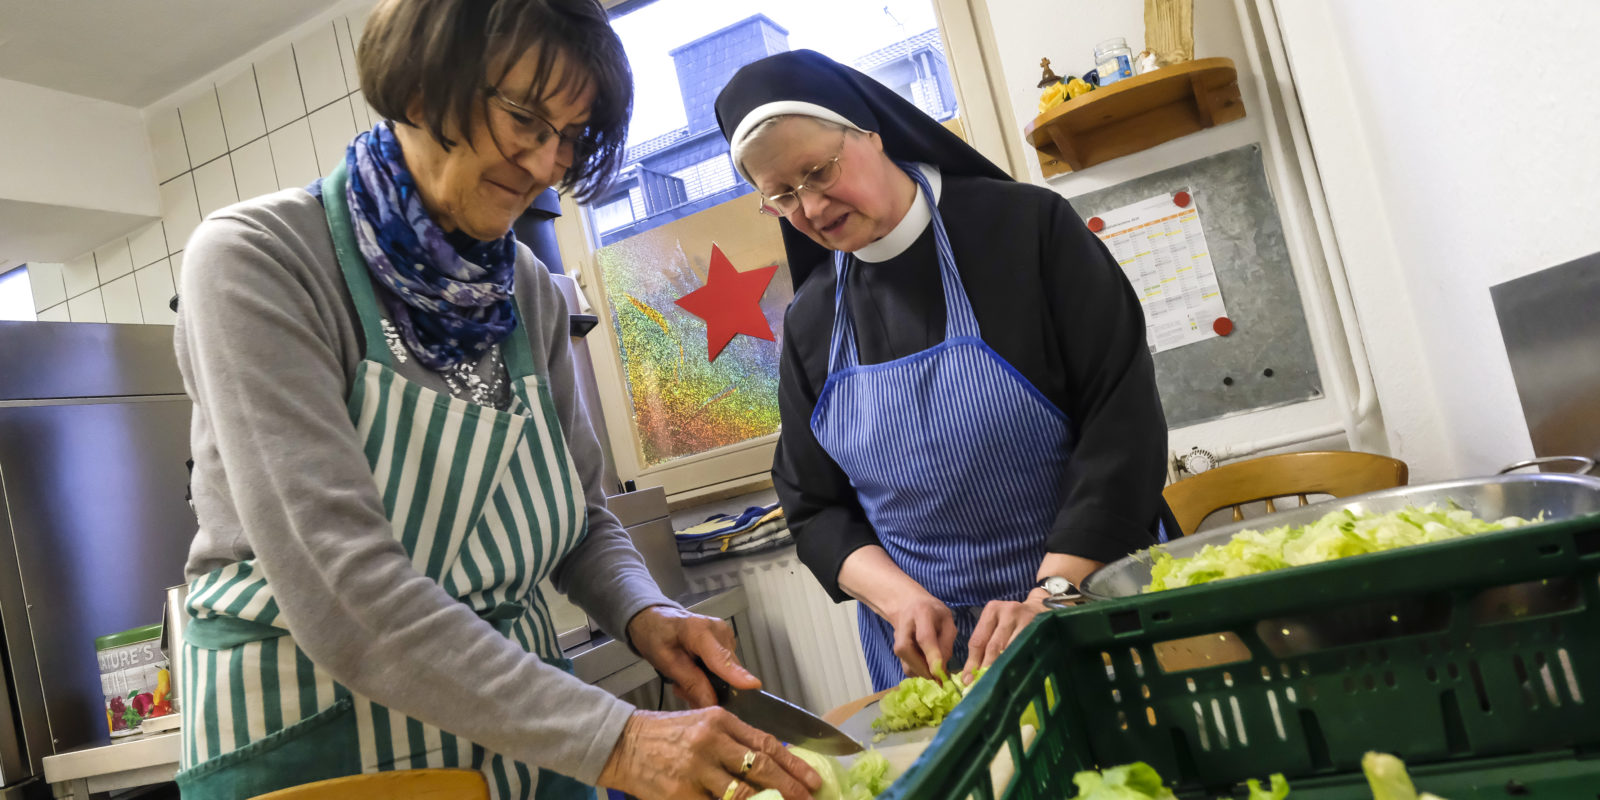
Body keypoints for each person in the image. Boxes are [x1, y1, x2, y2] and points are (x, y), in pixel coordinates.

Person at [172, 2, 818, 799]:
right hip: (321, 742)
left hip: (516, 731)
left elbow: (581, 519)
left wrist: (647, 613)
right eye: (525, 119)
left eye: (570, 137)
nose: (547, 162)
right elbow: (341, 585)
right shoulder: (259, 261)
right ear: (418, 85)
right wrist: (613, 739)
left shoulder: (528, 294)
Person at [714, 51, 1178, 692]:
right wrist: (899, 600)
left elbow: (1121, 430)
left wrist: (1056, 592)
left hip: (1090, 597)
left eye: (818, 172)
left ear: (871, 134)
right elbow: (813, 505)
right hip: (937, 658)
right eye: (782, 197)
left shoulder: (1029, 230)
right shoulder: (811, 319)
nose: (813, 208)